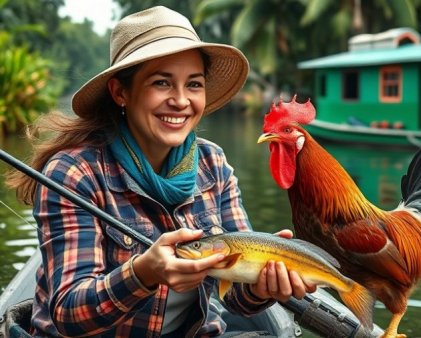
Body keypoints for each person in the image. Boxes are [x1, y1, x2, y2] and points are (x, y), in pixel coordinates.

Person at [6, 6, 315, 337]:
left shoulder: (214, 163)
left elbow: (237, 299)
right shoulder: (74, 172)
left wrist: (261, 287)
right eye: (162, 83)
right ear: (120, 92)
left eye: (193, 84)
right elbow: (69, 313)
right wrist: (142, 275)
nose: (181, 100)